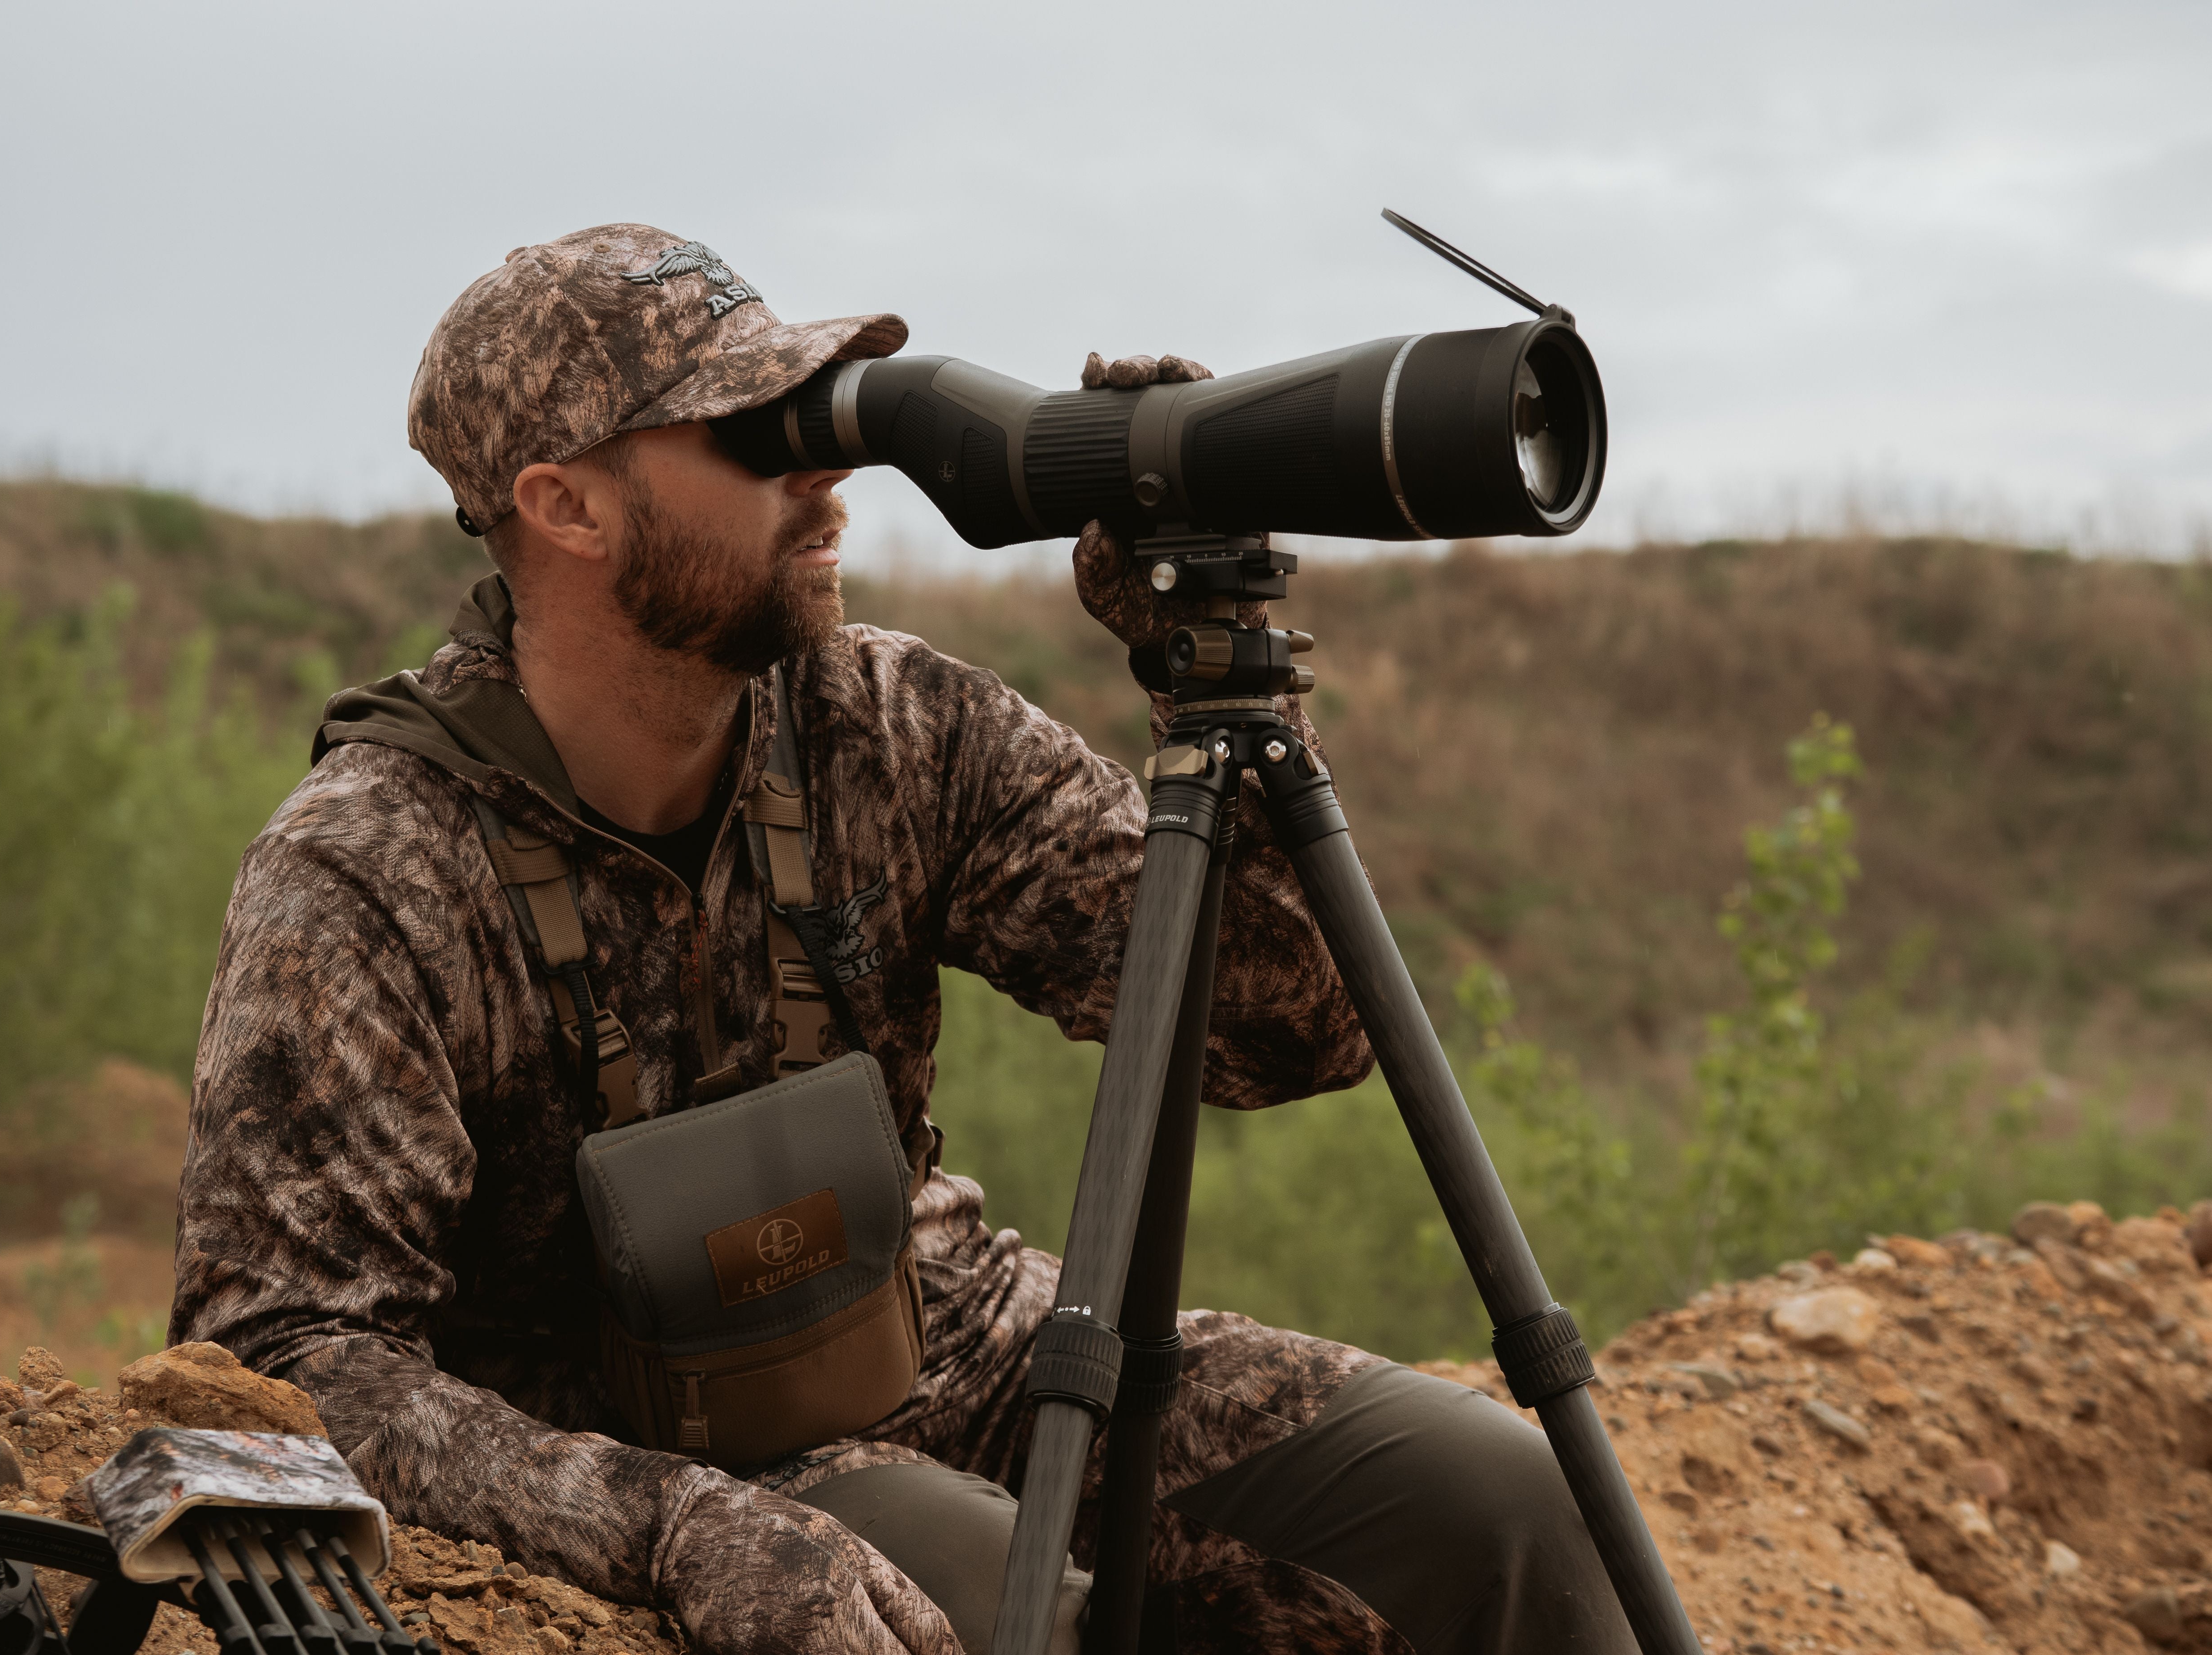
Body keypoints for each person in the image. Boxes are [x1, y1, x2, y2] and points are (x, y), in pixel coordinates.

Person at [170, 224, 1631, 1655]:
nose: (826, 472)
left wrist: (1199, 659)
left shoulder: (891, 725)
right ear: (567, 507)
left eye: (817, 416)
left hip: (956, 1343)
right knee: (1011, 1611)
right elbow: (278, 1357)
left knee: (1513, 1511)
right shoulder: (371, 865)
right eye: (756, 433)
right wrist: (666, 1524)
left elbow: (1283, 1031)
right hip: (634, 1446)